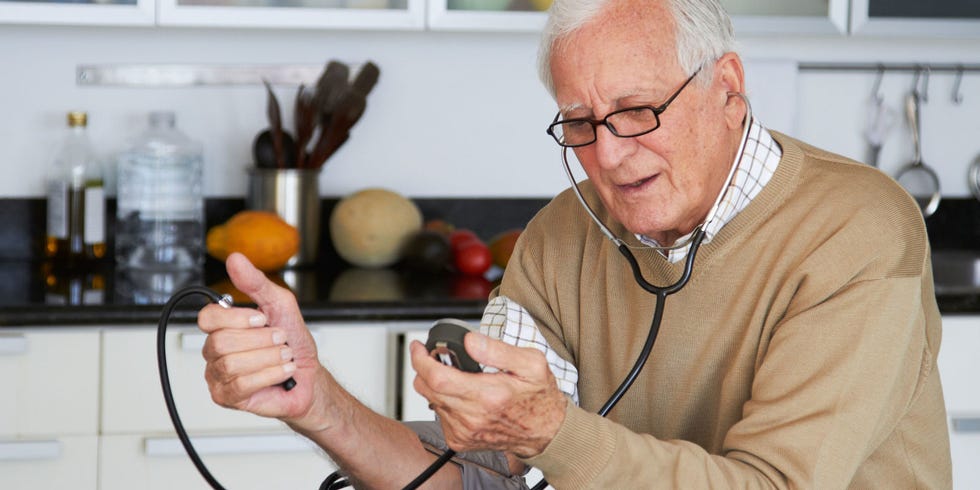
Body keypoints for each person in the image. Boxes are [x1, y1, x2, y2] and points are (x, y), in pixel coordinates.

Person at [197, 0, 953, 487]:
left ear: (727, 86)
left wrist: (554, 431)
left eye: (636, 110)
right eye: (580, 123)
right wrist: (316, 401)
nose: (609, 156)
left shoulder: (857, 230)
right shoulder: (565, 233)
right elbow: (483, 474)